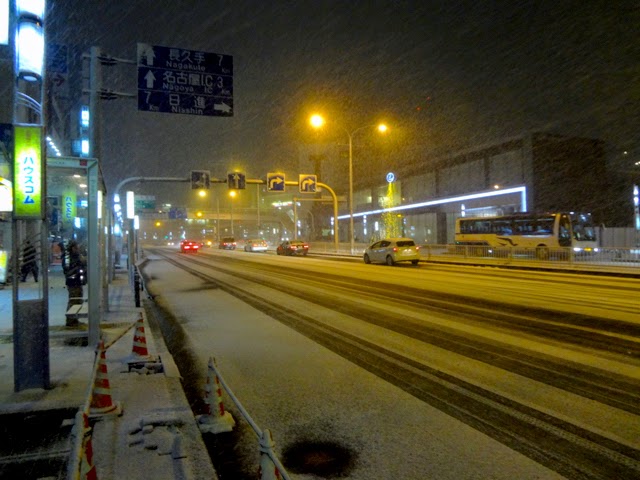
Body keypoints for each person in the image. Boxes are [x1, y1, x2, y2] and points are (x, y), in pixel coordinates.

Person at [63, 241, 86, 326]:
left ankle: (74, 319)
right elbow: (68, 271)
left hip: (77, 282)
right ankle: (70, 320)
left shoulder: (77, 256)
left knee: (78, 301)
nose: (78, 249)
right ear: (72, 248)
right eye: (77, 248)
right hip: (72, 283)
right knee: (73, 301)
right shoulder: (68, 258)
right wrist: (78, 268)